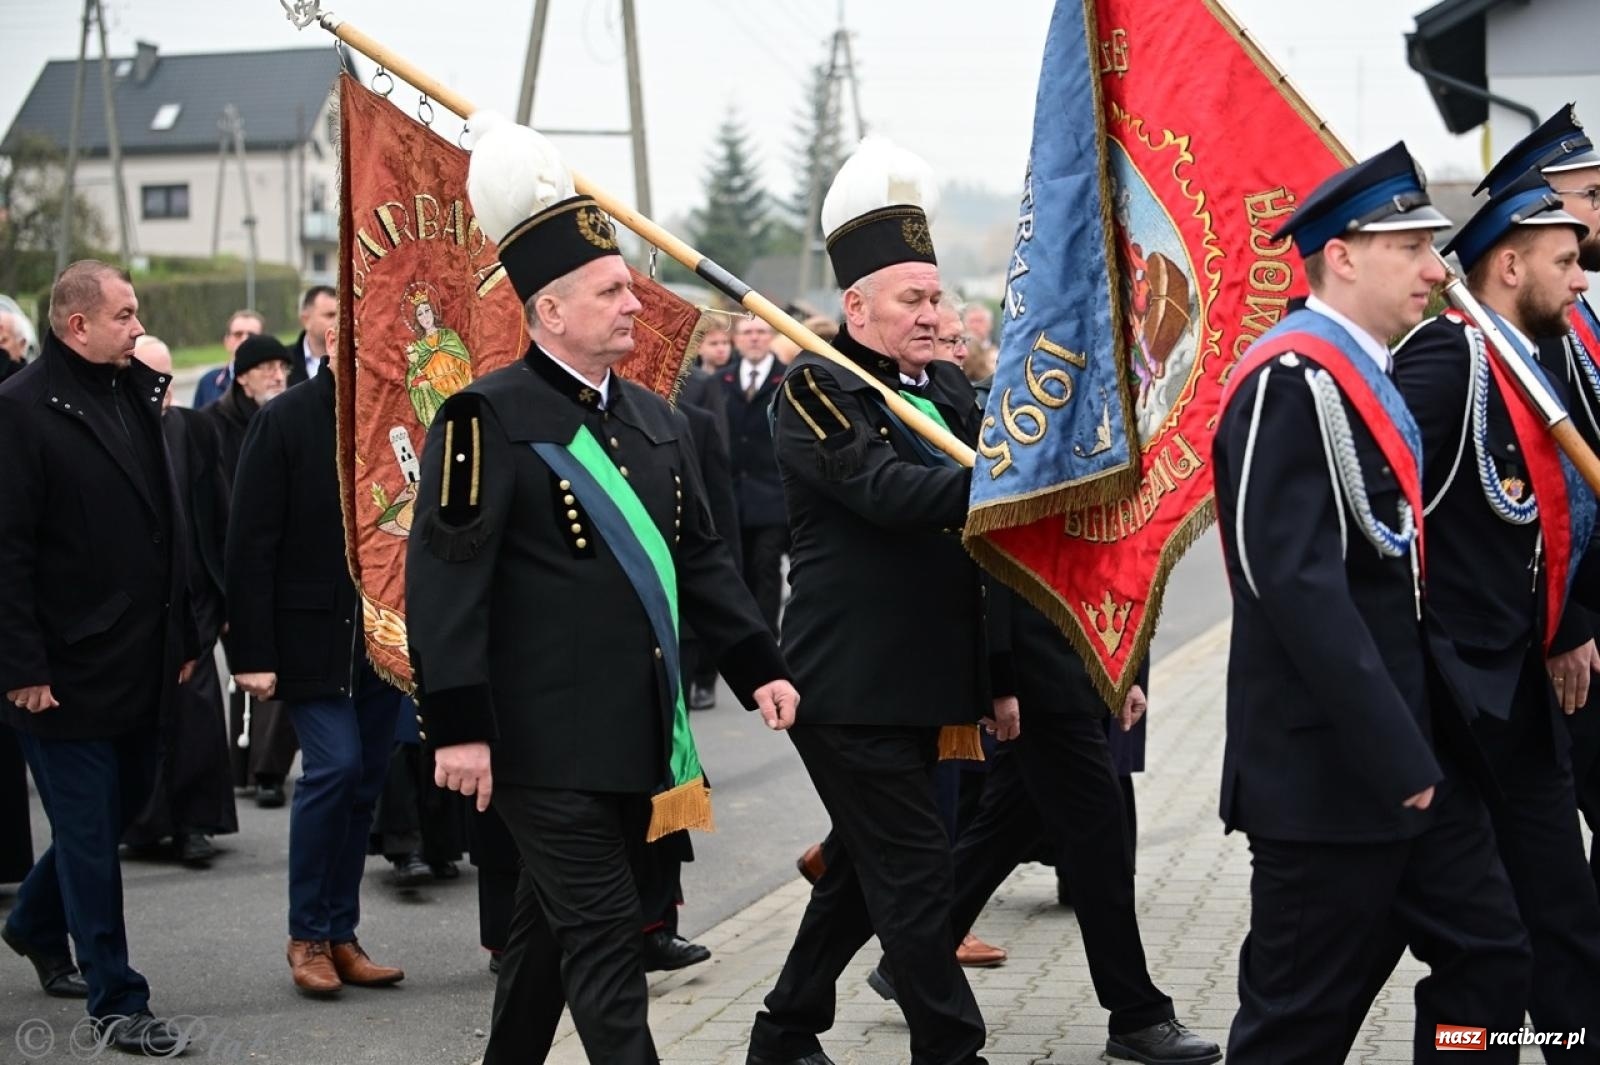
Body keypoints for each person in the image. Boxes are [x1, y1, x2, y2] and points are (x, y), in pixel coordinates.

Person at [407, 114, 797, 1065]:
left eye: (629, 284)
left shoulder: (661, 420)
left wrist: (759, 665)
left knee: (545, 942)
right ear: (549, 312)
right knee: (607, 942)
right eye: (614, 289)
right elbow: (446, 580)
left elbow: (700, 559)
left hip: (632, 735)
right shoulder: (483, 418)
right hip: (539, 743)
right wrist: (458, 723)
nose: (636, 303)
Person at [1213, 144, 1531, 1063]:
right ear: (1342, 255)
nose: (1438, 268)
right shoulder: (1291, 381)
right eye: (1412, 247)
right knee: (1294, 1028)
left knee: (1494, 960)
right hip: (1331, 778)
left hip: (1412, 764)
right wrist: (1401, 755)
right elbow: (1295, 586)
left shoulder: (1368, 375)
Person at [748, 137, 995, 1065]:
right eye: (912, 300)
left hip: (928, 686)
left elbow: (989, 535)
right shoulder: (816, 387)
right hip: (847, 687)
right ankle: (952, 1046)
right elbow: (888, 494)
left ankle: (783, 1032)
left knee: (861, 874)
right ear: (857, 307)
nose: (933, 314)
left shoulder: (952, 393)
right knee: (919, 878)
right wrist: (998, 480)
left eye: (938, 297)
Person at [1391, 165, 1600, 1054]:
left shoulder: (1533, 358)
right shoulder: (1447, 360)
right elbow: (1379, 515)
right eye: (1567, 260)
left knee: (1563, 916)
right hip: (1448, 698)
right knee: (1472, 950)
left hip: (1518, 690)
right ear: (1509, 267)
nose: (1583, 278)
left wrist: (1564, 626)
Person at [866, 593, 1221, 1063]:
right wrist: (1000, 679)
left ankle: (912, 960)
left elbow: (1113, 567)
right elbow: (993, 572)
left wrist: (1128, 669)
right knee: (1101, 844)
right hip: (1039, 673)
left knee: (1005, 826)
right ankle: (1137, 1014)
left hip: (1081, 661)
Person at [0, 260, 197, 1055]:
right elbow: (6, 551)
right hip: (62, 672)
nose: (138, 327)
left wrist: (181, 637)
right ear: (76, 325)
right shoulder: (19, 412)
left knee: (113, 816)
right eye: (124, 315)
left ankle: (34, 922)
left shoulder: (131, 394)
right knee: (87, 833)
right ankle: (119, 1000)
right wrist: (21, 667)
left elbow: (166, 527)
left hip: (141, 660)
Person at [225, 315, 407, 997]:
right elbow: (248, 543)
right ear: (332, 347)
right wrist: (252, 651)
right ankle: (306, 935)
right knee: (335, 769)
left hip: (382, 636)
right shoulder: (286, 420)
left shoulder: (398, 418)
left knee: (365, 783)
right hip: (308, 635)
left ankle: (341, 932)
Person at [1493, 104, 1600, 895]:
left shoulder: (1578, 312)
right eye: (1591, 194)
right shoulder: (1535, 328)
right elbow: (1543, 495)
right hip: (1574, 628)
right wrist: (1571, 622)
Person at [122, 335, 238, 865]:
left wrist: (228, 598)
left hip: (193, 599)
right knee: (141, 715)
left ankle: (195, 822)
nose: (163, 391)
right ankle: (145, 821)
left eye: (169, 380)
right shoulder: (115, 429)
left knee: (196, 712)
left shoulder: (193, 429)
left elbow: (219, 512)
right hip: (135, 604)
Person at [204, 334, 300, 808]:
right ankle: (243, 765)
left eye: (283, 368)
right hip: (222, 570)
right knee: (243, 672)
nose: (278, 376)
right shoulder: (211, 427)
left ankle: (267, 769)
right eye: (266, 369)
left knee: (274, 668)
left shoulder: (284, 421)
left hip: (277, 569)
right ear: (241, 376)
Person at [720, 315, 790, 635]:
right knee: (739, 566)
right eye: (747, 332)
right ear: (736, 339)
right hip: (732, 494)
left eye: (761, 332)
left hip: (772, 494)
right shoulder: (722, 381)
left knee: (766, 565)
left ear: (771, 337)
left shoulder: (786, 380)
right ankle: (743, 631)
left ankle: (766, 634)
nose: (754, 339)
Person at [191, 310, 265, 409]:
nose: (244, 340)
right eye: (238, 335)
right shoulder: (207, 383)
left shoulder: (274, 382)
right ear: (227, 341)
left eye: (252, 335)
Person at [286, 286, 338, 387]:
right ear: (306, 320)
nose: (338, 321)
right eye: (330, 315)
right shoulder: (284, 361)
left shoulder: (355, 361)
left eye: (341, 314)